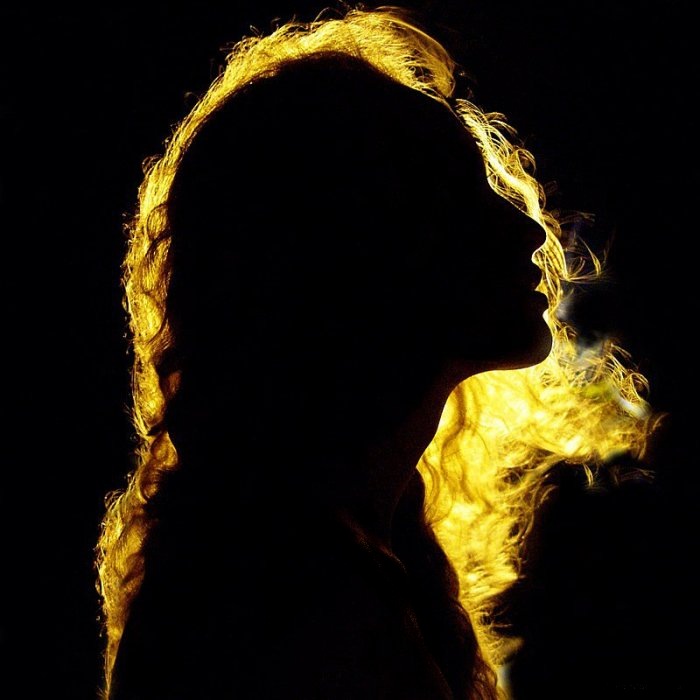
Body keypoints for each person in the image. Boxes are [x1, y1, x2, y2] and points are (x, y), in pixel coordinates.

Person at [95, 6, 658, 699]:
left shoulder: (318, 560)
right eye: (456, 197)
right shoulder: (288, 609)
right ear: (346, 253)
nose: (528, 231)